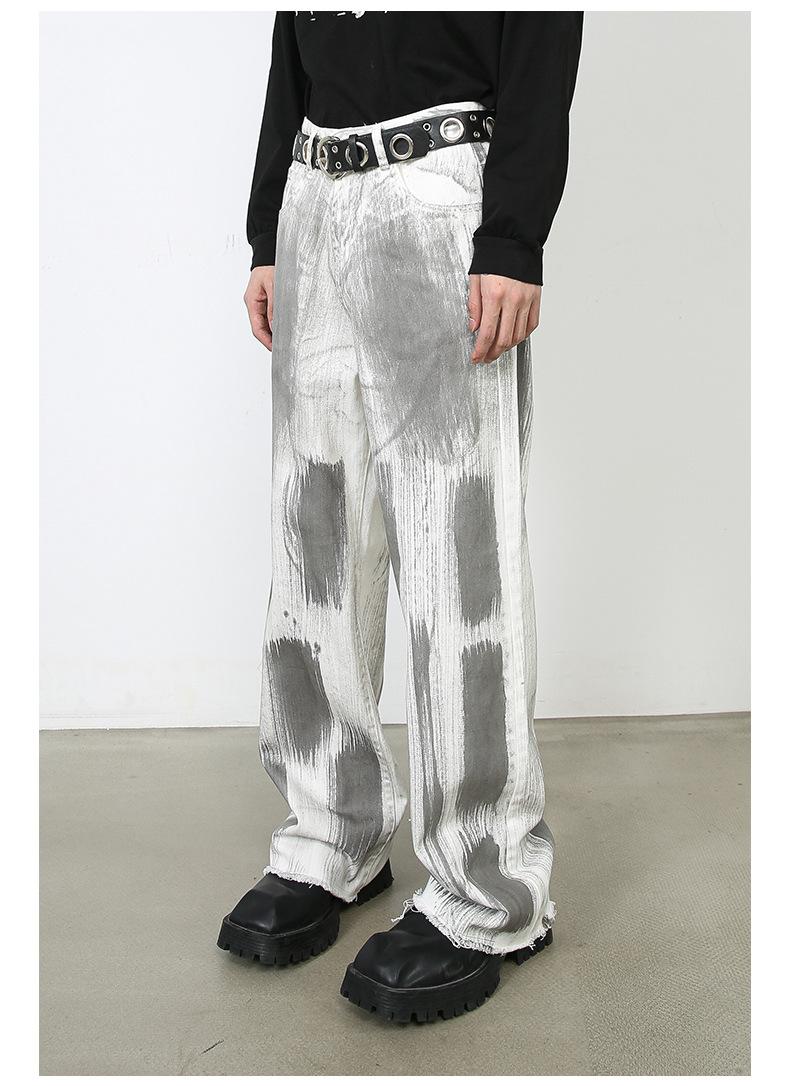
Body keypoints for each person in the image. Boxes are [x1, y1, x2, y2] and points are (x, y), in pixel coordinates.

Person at [218, 10, 583, 1024]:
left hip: (439, 195)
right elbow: (291, 40)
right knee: (314, 545)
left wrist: (513, 233)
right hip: (313, 191)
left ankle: (488, 887)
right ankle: (330, 834)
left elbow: (544, 37)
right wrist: (268, 228)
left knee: (456, 555)